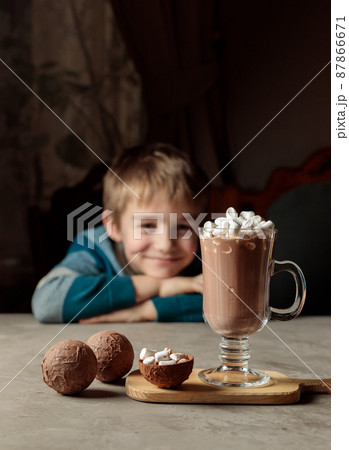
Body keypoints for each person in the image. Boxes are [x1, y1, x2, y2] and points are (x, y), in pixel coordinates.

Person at [32, 143, 208, 323]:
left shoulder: (205, 251)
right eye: (147, 225)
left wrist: (147, 311)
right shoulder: (93, 247)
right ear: (114, 227)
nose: (165, 245)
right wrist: (159, 287)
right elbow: (47, 302)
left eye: (183, 227)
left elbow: (235, 303)